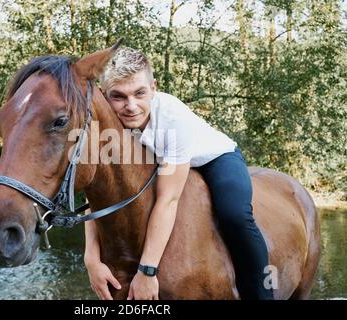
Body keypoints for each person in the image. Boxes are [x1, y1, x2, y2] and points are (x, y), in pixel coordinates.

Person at [83, 47, 274, 300]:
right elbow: (99, 195)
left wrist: (148, 272)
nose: (131, 107)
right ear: (105, 95)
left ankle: (261, 293)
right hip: (162, 162)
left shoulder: (172, 119)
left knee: (235, 214)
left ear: (153, 87)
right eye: (118, 96)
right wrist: (91, 260)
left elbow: (168, 199)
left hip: (213, 158)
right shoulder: (106, 125)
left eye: (140, 93)